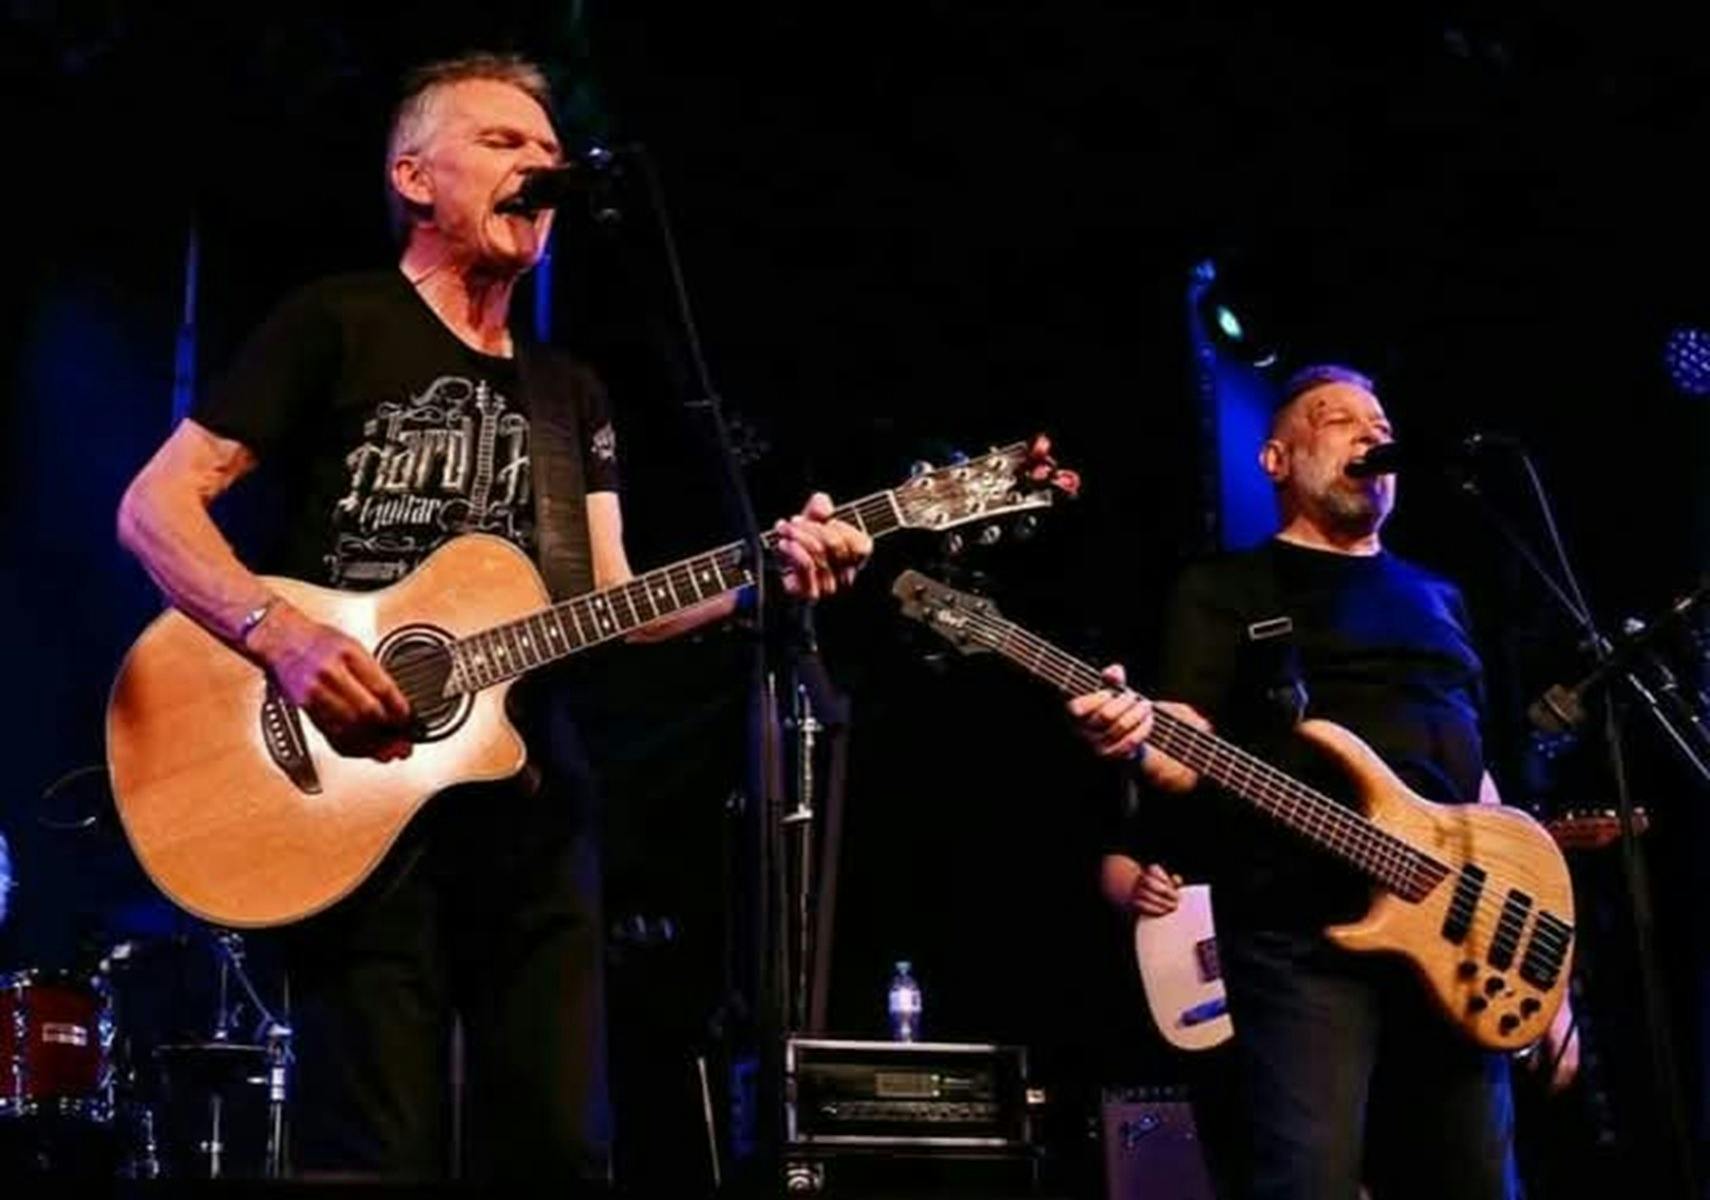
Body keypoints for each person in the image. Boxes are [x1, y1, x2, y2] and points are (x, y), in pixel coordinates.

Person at [115, 52, 871, 1185]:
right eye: (505, 143)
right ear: (414, 177)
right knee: (377, 1147)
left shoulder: (572, 392)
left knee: (564, 1144)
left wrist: (761, 575)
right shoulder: (337, 319)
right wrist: (283, 637)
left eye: (552, 154)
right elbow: (153, 506)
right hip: (341, 784)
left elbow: (609, 608)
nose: (542, 167)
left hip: (529, 801)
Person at [1070, 364, 1570, 1199]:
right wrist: (1133, 738)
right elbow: (1182, 741)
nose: (1372, 435)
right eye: (1339, 419)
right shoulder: (1226, 588)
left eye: (1379, 423)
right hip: (1302, 937)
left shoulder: (1440, 595)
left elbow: (1479, 778)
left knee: (1477, 1179)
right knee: (1309, 1179)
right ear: (1275, 460)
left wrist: (1548, 980)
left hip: (1461, 940)